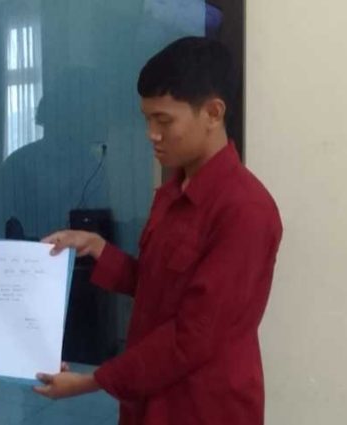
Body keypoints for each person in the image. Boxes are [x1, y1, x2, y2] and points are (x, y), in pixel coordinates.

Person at [34, 36, 282, 425]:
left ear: (213, 113)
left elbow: (193, 335)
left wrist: (92, 381)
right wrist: (96, 247)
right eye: (147, 119)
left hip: (203, 407)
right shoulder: (172, 193)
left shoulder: (245, 210)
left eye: (163, 120)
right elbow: (156, 288)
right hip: (149, 397)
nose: (151, 133)